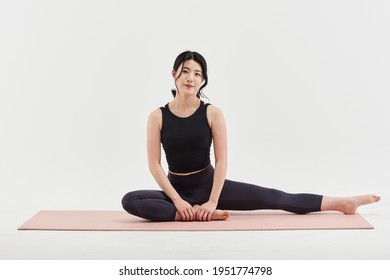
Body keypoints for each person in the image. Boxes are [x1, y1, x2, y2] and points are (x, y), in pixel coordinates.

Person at [121, 51, 380, 222]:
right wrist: (177, 201)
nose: (191, 78)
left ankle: (342, 203)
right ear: (174, 74)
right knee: (131, 201)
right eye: (186, 71)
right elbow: (154, 164)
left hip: (211, 186)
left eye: (198, 74)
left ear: (203, 81)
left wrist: (212, 200)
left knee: (277, 198)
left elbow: (222, 161)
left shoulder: (213, 113)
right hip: (175, 189)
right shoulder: (157, 116)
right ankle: (188, 214)